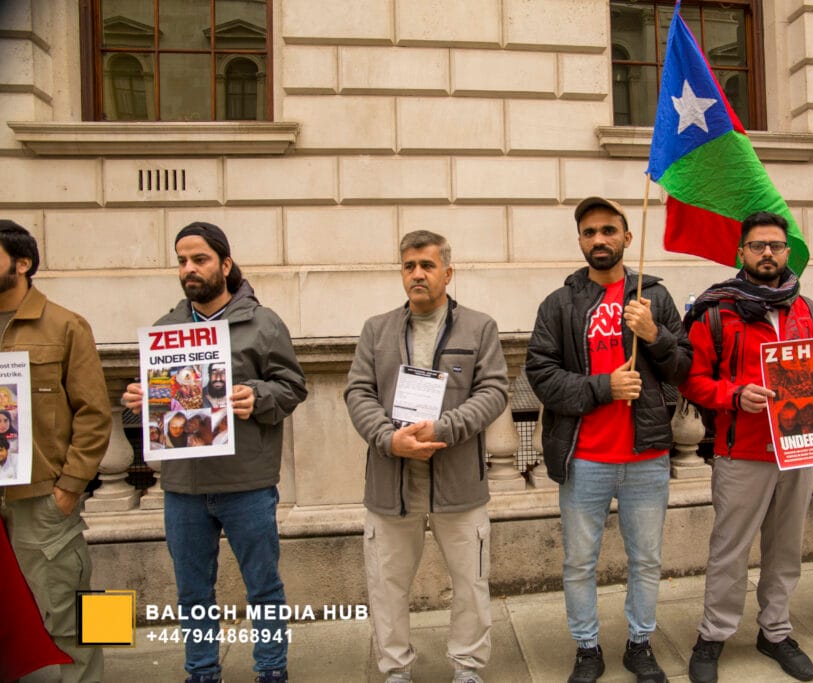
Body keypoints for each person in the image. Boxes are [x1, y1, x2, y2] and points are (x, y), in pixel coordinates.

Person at [123, 221, 307, 683]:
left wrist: (256, 397)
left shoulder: (263, 323)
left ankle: (271, 670)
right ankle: (202, 672)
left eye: (200, 259)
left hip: (246, 482)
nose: (189, 269)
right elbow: (164, 401)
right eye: (182, 260)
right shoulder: (166, 330)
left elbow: (293, 387)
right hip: (183, 486)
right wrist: (143, 399)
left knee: (263, 587)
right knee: (192, 591)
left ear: (225, 265)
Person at [526, 197, 692, 683]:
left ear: (627, 236)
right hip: (585, 458)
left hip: (646, 456)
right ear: (580, 240)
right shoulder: (558, 304)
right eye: (589, 232)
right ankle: (586, 647)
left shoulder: (653, 297)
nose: (599, 239)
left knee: (646, 560)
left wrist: (655, 335)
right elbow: (541, 374)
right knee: (579, 562)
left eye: (608, 230)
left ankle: (640, 643)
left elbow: (682, 367)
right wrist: (603, 387)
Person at [682, 211, 813, 683]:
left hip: (798, 450)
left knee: (786, 548)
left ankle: (775, 631)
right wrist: (733, 395)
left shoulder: (807, 310)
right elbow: (692, 380)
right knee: (729, 551)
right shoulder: (717, 310)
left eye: (776, 246)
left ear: (787, 252)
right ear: (742, 253)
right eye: (758, 246)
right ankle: (713, 634)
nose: (768, 253)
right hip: (742, 452)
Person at [345, 230, 508, 683]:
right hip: (391, 483)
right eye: (409, 266)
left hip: (458, 484)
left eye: (427, 265)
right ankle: (395, 668)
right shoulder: (376, 330)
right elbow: (357, 391)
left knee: (471, 585)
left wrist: (444, 428)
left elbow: (494, 390)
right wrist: (386, 438)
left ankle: (468, 666)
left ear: (447, 273)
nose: (417, 274)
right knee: (387, 586)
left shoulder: (479, 327)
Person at [0, 220, 112, 682]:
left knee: (71, 614)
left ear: (22, 263)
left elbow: (94, 413)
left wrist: (68, 489)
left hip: (40, 500)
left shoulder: (66, 324)